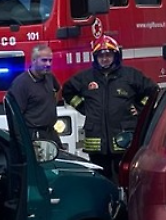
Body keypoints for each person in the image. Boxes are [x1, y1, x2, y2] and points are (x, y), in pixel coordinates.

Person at [62, 36, 157, 178]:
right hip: (96, 143)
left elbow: (153, 91)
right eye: (100, 55)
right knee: (101, 178)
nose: (104, 59)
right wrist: (83, 107)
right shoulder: (86, 77)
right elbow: (67, 91)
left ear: (116, 55)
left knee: (126, 177)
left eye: (108, 55)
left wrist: (140, 108)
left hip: (123, 139)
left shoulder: (130, 75)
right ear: (95, 58)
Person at [7, 44, 62, 145]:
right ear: (33, 60)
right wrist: (23, 145)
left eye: (50, 60)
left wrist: (51, 104)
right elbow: (15, 117)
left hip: (51, 133)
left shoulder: (49, 77)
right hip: (34, 135)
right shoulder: (21, 84)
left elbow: (58, 89)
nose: (48, 64)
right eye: (44, 60)